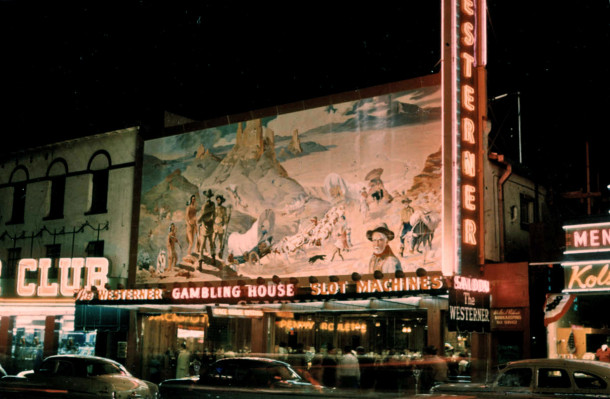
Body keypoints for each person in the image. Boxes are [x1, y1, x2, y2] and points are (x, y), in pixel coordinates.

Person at [198, 189, 215, 259]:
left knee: (202, 244)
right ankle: (213, 257)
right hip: (210, 226)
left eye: (208, 197)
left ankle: (201, 258)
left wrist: (198, 220)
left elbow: (201, 216)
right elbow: (214, 215)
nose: (208, 198)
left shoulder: (204, 206)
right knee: (210, 243)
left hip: (205, 227)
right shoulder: (213, 204)